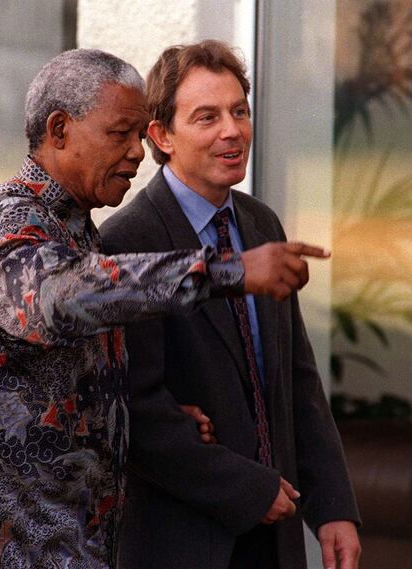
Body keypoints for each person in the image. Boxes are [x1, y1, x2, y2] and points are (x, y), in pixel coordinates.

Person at [0, 48, 327, 569]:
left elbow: (45, 382)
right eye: (120, 134)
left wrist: (116, 414)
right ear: (60, 129)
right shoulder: (10, 228)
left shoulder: (76, 231)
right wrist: (230, 271)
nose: (138, 152)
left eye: (139, 135)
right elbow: (61, 301)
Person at [100, 40, 361, 569]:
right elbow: (137, 412)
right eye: (207, 117)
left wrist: (333, 507)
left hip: (278, 539)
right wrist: (250, 490)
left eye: (239, 111)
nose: (232, 130)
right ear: (161, 135)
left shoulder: (261, 225)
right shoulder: (126, 244)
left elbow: (297, 379)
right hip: (183, 543)